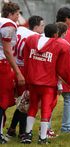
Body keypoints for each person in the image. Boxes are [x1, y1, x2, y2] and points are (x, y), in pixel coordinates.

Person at [21, 23, 70, 144]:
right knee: (46, 109)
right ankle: (43, 137)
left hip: (33, 81)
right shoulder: (60, 44)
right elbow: (62, 69)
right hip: (48, 84)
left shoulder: (32, 39)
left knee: (33, 106)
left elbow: (26, 59)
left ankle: (27, 134)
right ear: (56, 34)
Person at [5, 15, 45, 141]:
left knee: (19, 102)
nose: (43, 29)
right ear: (36, 26)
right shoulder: (36, 37)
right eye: (42, 26)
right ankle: (23, 133)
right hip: (23, 70)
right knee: (26, 103)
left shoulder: (19, 29)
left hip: (11, 66)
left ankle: (11, 129)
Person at [0, 2, 25, 144]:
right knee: (2, 100)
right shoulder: (8, 24)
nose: (17, 17)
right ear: (10, 14)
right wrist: (17, 72)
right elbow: (8, 51)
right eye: (17, 14)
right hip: (2, 65)